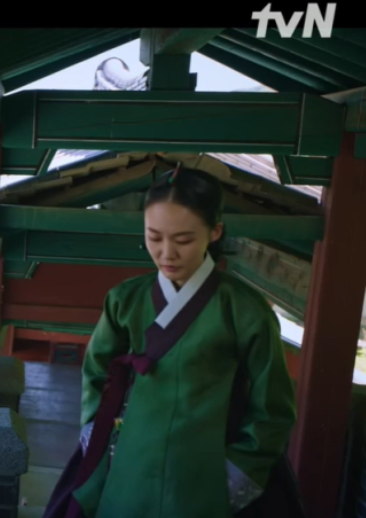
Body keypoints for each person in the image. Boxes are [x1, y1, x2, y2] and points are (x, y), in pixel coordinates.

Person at [42, 166, 304, 518]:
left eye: (183, 240)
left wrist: (238, 471)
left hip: (205, 471)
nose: (167, 253)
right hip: (128, 463)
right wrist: (96, 432)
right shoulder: (125, 300)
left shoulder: (244, 310)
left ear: (215, 231)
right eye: (154, 237)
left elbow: (272, 407)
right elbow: (96, 372)